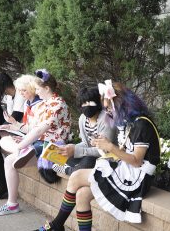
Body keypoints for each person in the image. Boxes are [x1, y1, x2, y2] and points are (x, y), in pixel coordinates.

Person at [34, 80, 160, 231]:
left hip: (137, 177)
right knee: (81, 195)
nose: (108, 112)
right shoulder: (130, 122)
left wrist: (110, 146)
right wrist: (106, 148)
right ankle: (57, 225)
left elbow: (137, 161)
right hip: (126, 169)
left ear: (118, 103)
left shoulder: (141, 124)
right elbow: (125, 152)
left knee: (76, 177)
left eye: (108, 108)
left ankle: (56, 225)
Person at [0, 69, 71, 215]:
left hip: (54, 148)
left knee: (10, 157)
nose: (37, 92)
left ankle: (12, 204)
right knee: (7, 149)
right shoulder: (48, 103)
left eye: (38, 89)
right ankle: (12, 204)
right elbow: (33, 129)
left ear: (46, 88)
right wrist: (15, 125)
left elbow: (39, 131)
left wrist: (21, 145)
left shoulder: (56, 104)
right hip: (41, 143)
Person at [52, 86, 116, 176]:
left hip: (108, 158)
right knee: (66, 155)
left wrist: (76, 150)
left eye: (90, 103)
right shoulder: (82, 119)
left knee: (88, 161)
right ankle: (74, 168)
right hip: (90, 154)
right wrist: (71, 147)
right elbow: (86, 144)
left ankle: (69, 171)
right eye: (83, 104)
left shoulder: (107, 120)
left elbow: (105, 150)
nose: (86, 106)